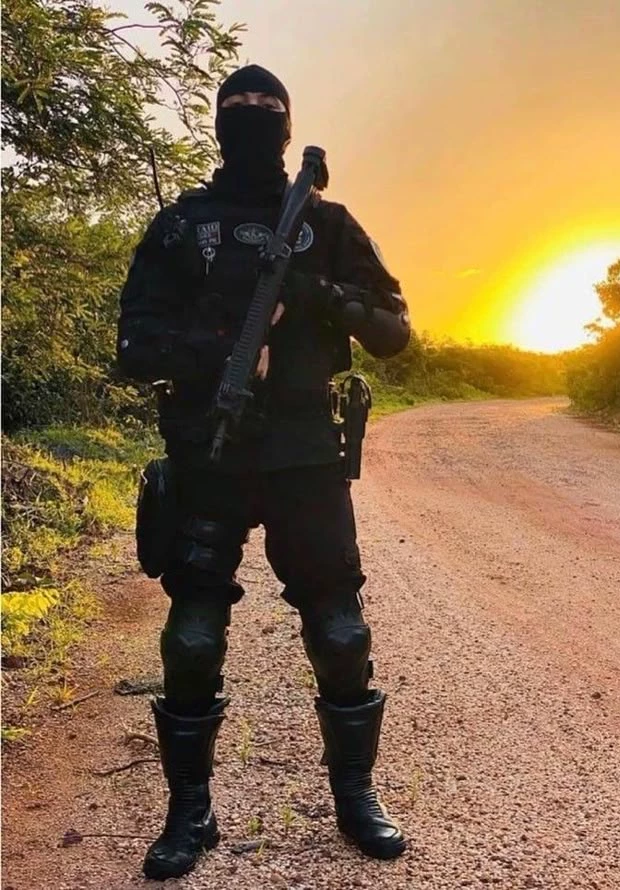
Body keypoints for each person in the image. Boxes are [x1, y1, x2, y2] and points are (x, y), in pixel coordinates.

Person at [117, 64, 411, 880]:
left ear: (287, 126)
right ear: (219, 123)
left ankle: (355, 797)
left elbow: (394, 331)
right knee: (192, 638)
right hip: (208, 448)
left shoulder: (327, 222)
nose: (251, 118)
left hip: (306, 452)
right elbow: (134, 345)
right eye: (237, 107)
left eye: (266, 108)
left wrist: (312, 296)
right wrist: (220, 344)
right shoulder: (181, 227)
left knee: (342, 633)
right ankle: (189, 813)